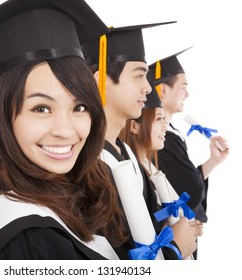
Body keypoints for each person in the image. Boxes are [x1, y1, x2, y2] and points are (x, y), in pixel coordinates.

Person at [0, 0, 128, 260]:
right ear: (3, 118)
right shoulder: (30, 240)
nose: (66, 131)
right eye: (41, 108)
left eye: (79, 107)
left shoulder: (82, 189)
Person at [82, 23, 198, 259]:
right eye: (139, 75)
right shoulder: (86, 164)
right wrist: (174, 251)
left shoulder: (124, 151)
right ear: (99, 81)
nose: (148, 88)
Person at [147, 49, 229, 258]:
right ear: (163, 90)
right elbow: (190, 188)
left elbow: (185, 183)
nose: (187, 94)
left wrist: (212, 162)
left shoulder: (169, 133)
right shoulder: (160, 138)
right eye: (183, 87)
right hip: (170, 236)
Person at [119, 84, 202, 259]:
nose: (165, 127)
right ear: (134, 126)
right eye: (158, 119)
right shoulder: (126, 172)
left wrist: (186, 227)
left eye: (165, 119)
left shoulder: (150, 165)